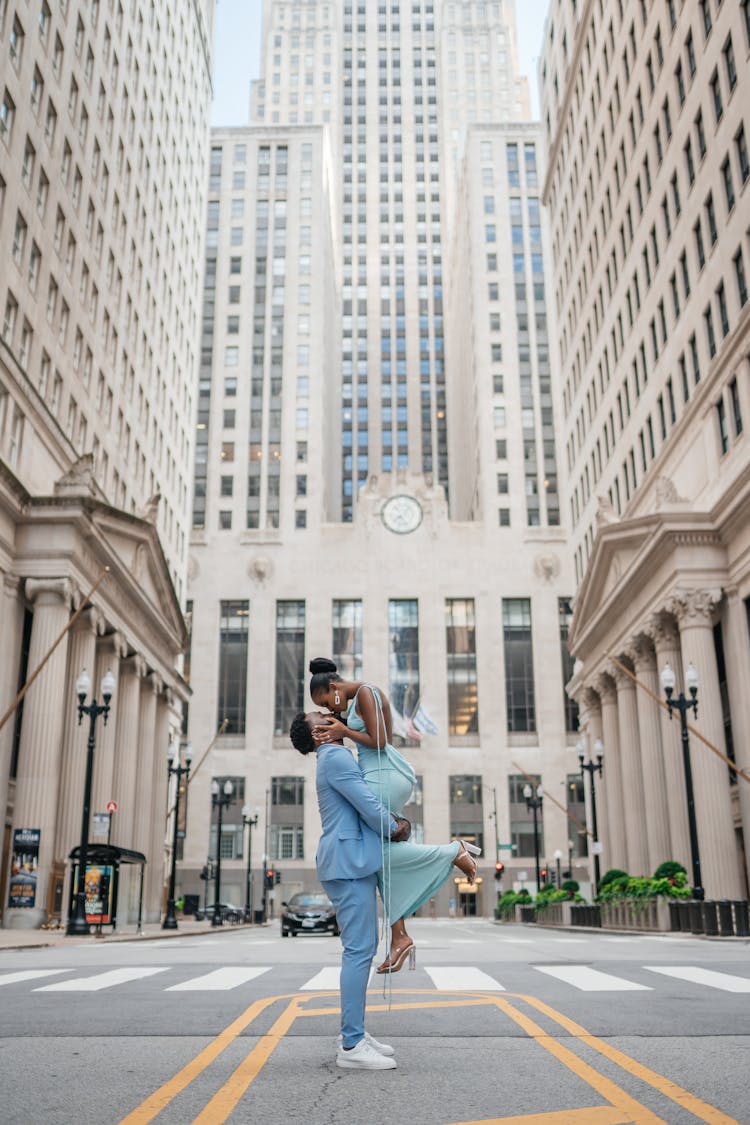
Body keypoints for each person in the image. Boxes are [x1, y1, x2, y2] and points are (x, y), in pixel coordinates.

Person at [308, 657, 479, 973]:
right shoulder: (353, 701)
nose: (330, 711)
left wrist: (344, 729)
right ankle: (399, 936)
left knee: (377, 851)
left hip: (383, 772)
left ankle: (452, 851)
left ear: (333, 688)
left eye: (325, 702)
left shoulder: (367, 693)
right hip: (378, 773)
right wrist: (343, 726)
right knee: (379, 857)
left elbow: (380, 740)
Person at [289, 710, 410, 1071]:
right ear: (319, 737)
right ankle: (352, 1044)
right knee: (358, 952)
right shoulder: (336, 756)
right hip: (347, 863)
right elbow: (367, 805)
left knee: (361, 949)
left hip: (348, 860)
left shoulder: (336, 755)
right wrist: (395, 826)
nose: (329, 716)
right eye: (320, 719)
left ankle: (354, 1033)